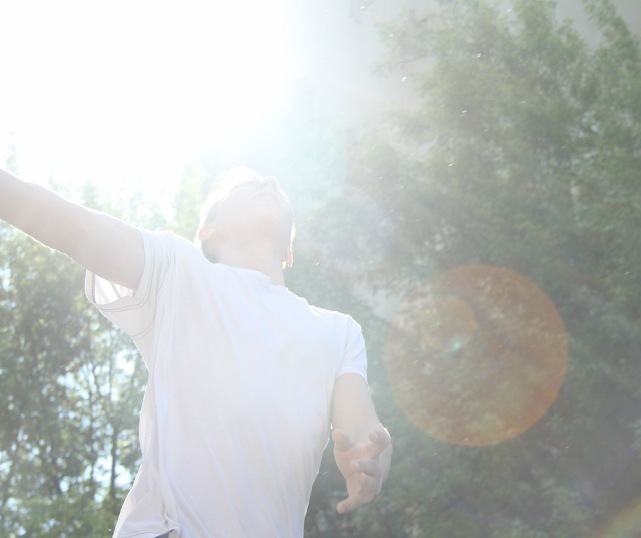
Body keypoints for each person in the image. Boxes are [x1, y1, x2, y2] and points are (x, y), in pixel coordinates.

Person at [0, 166, 392, 537]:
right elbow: (70, 224)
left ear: (289, 251)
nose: (270, 181)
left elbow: (365, 430)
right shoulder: (178, 272)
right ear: (209, 232)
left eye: (273, 185)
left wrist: (369, 461)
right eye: (247, 185)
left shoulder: (338, 331)